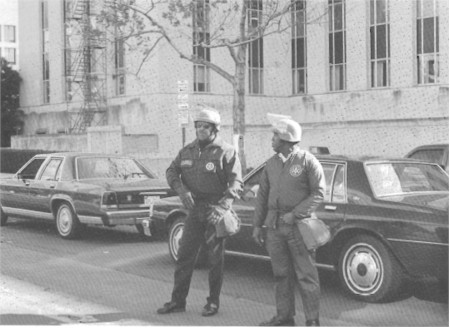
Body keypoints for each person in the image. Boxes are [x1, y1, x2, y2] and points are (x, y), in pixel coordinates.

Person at [157, 107, 243, 317]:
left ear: (215, 128)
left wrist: (223, 208)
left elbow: (236, 183)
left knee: (216, 260)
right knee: (185, 256)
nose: (201, 129)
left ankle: (212, 303)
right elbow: (171, 171)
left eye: (205, 126)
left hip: (215, 209)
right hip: (194, 209)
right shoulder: (187, 150)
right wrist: (182, 191)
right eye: (198, 126)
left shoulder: (227, 151)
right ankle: (178, 301)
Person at [252, 118, 326, 327]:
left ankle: (312, 320)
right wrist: (257, 225)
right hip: (275, 227)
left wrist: (296, 214)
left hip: (299, 227)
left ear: (286, 138)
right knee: (280, 274)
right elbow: (262, 196)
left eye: (275, 135)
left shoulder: (307, 161)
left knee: (306, 275)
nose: (272, 140)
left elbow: (319, 193)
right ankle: (284, 317)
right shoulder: (271, 164)